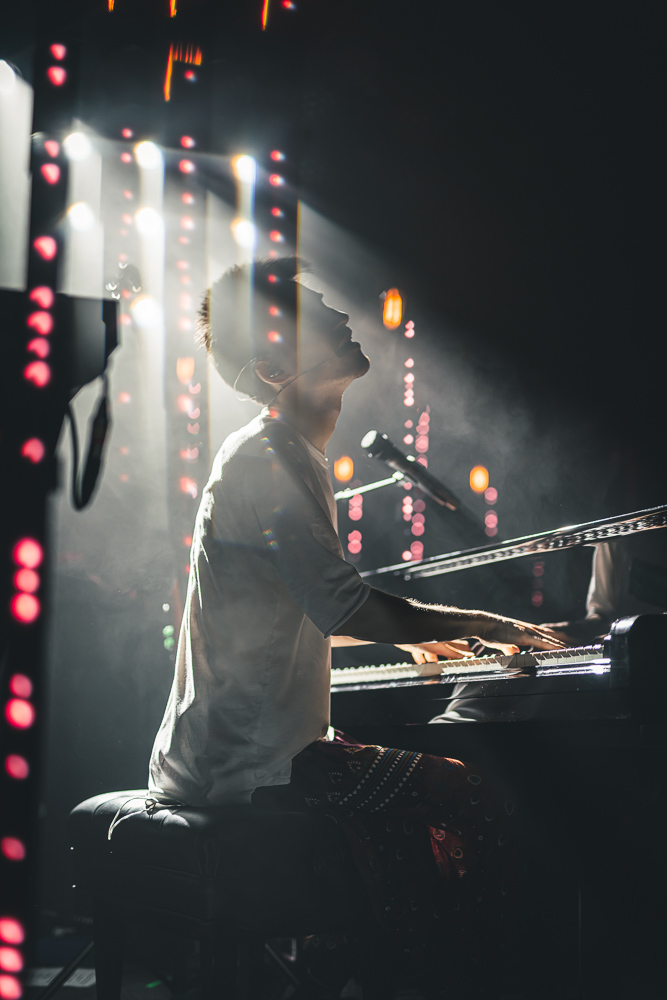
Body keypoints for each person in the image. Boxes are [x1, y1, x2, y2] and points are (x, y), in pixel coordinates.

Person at [148, 256, 564, 998]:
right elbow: (342, 605)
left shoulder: (277, 451)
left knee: (402, 823)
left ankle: (353, 969)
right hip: (253, 766)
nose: (340, 318)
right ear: (276, 366)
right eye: (314, 315)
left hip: (243, 750)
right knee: (472, 798)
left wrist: (416, 634)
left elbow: (298, 613)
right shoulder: (269, 459)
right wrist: (481, 621)